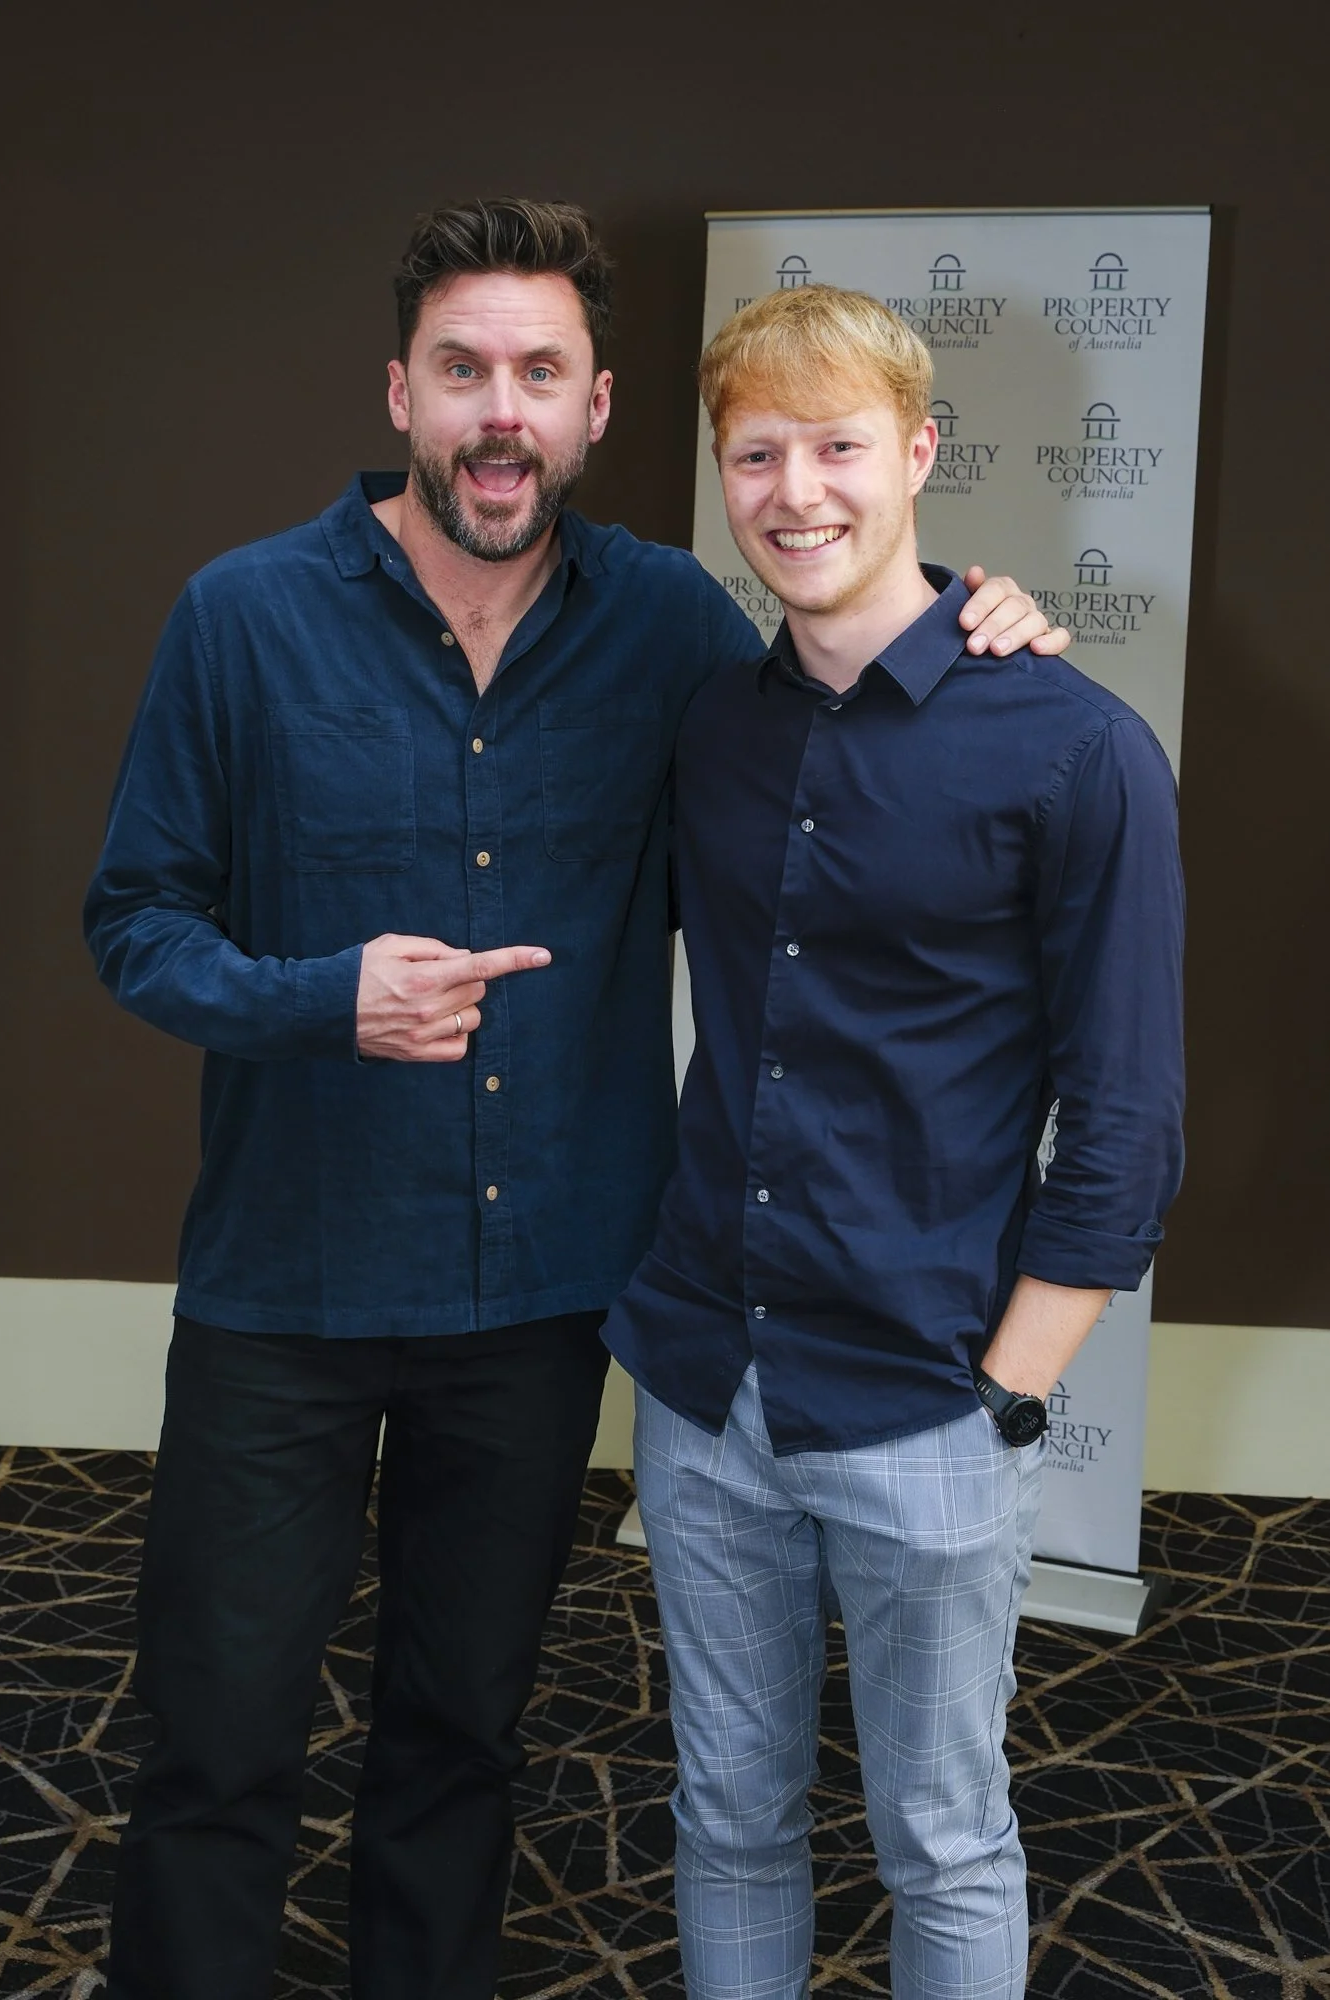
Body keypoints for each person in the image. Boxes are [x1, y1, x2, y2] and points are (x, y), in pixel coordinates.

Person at [83, 200, 1068, 2000]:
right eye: (463, 370)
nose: (499, 411)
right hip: (283, 1292)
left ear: (599, 405)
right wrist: (322, 1000)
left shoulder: (679, 630)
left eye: (541, 372)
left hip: (541, 1302)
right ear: (403, 389)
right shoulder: (243, 617)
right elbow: (133, 925)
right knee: (217, 1752)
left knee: (460, 1747)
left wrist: (981, 603)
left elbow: (844, 714)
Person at [603, 282, 1185, 2000]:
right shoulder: (714, 723)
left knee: (944, 1840)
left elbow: (1132, 1120)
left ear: (922, 452)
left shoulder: (1078, 750)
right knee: (726, 1819)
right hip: (708, 1384)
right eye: (758, 455)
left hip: (930, 1397)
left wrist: (1007, 1395)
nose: (800, 492)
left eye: (841, 446)